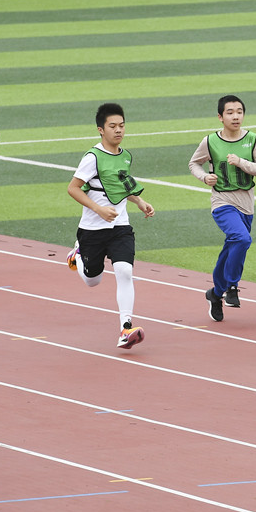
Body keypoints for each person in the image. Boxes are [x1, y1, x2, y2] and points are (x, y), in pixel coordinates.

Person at [65, 103, 154, 349]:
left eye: (122, 125)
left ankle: (126, 329)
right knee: (92, 280)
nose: (118, 130)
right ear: (100, 130)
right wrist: (99, 209)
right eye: (112, 126)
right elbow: (72, 188)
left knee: (125, 271)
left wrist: (139, 201)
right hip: (92, 229)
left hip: (120, 227)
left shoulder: (125, 155)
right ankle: (78, 255)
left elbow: (121, 184)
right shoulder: (92, 158)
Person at [188, 94, 256, 322]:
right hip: (222, 202)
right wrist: (204, 177)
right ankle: (232, 286)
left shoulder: (253, 140)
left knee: (232, 246)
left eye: (239, 112)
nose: (235, 116)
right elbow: (194, 163)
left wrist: (241, 162)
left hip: (246, 205)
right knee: (242, 239)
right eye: (230, 112)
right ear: (220, 117)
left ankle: (214, 293)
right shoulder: (210, 141)